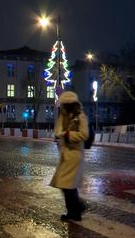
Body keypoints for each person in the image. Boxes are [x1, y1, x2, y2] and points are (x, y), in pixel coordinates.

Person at [50, 91, 89, 221]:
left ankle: (75, 210)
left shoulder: (80, 116)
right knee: (66, 185)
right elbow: (58, 130)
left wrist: (68, 135)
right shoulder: (64, 115)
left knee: (67, 184)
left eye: (64, 105)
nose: (62, 107)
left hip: (74, 155)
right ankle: (76, 210)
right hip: (65, 154)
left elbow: (84, 134)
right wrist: (59, 134)